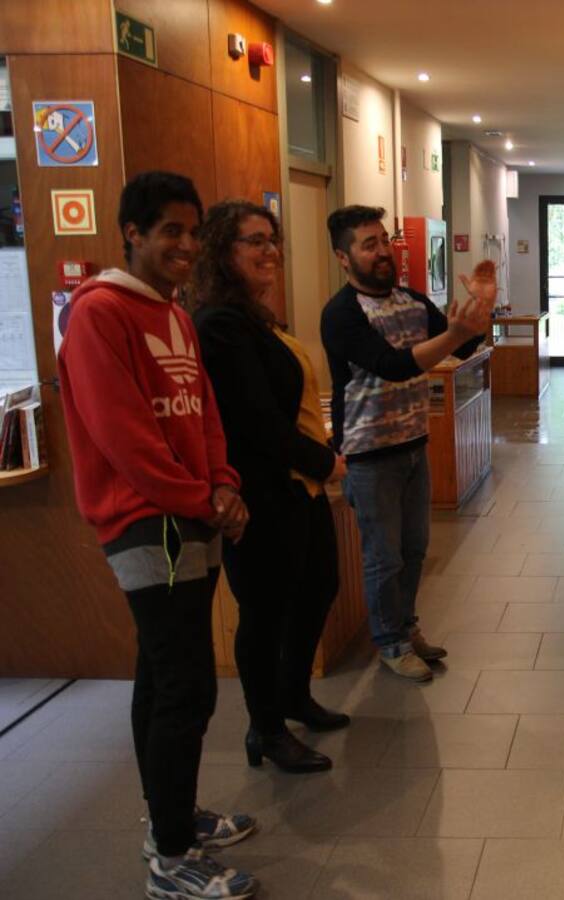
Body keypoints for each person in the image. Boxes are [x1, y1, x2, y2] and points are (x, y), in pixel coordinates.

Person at [57, 171, 258, 900]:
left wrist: (224, 481)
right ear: (132, 233)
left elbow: (202, 411)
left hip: (195, 512)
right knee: (187, 686)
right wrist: (203, 497)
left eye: (193, 231)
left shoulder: (173, 311)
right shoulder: (99, 314)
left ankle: (170, 816)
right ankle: (171, 857)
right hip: (148, 522)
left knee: (162, 673)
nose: (186, 244)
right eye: (170, 230)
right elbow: (125, 437)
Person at [192, 201, 349, 775]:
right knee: (265, 612)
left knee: (317, 587)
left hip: (297, 488)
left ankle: (292, 696)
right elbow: (255, 421)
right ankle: (265, 728)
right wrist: (326, 461)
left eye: (271, 239)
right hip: (259, 494)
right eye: (253, 241)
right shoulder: (219, 325)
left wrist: (316, 465)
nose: (269, 251)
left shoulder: (254, 317)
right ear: (221, 252)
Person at [320, 206, 494, 681]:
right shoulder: (341, 314)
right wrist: (456, 333)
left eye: (384, 241)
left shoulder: (413, 302)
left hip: (414, 443)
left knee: (415, 549)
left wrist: (478, 316)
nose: (382, 252)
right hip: (368, 453)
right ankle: (390, 643)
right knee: (384, 556)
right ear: (343, 257)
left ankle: (406, 627)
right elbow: (393, 365)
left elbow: (462, 347)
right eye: (368, 245)